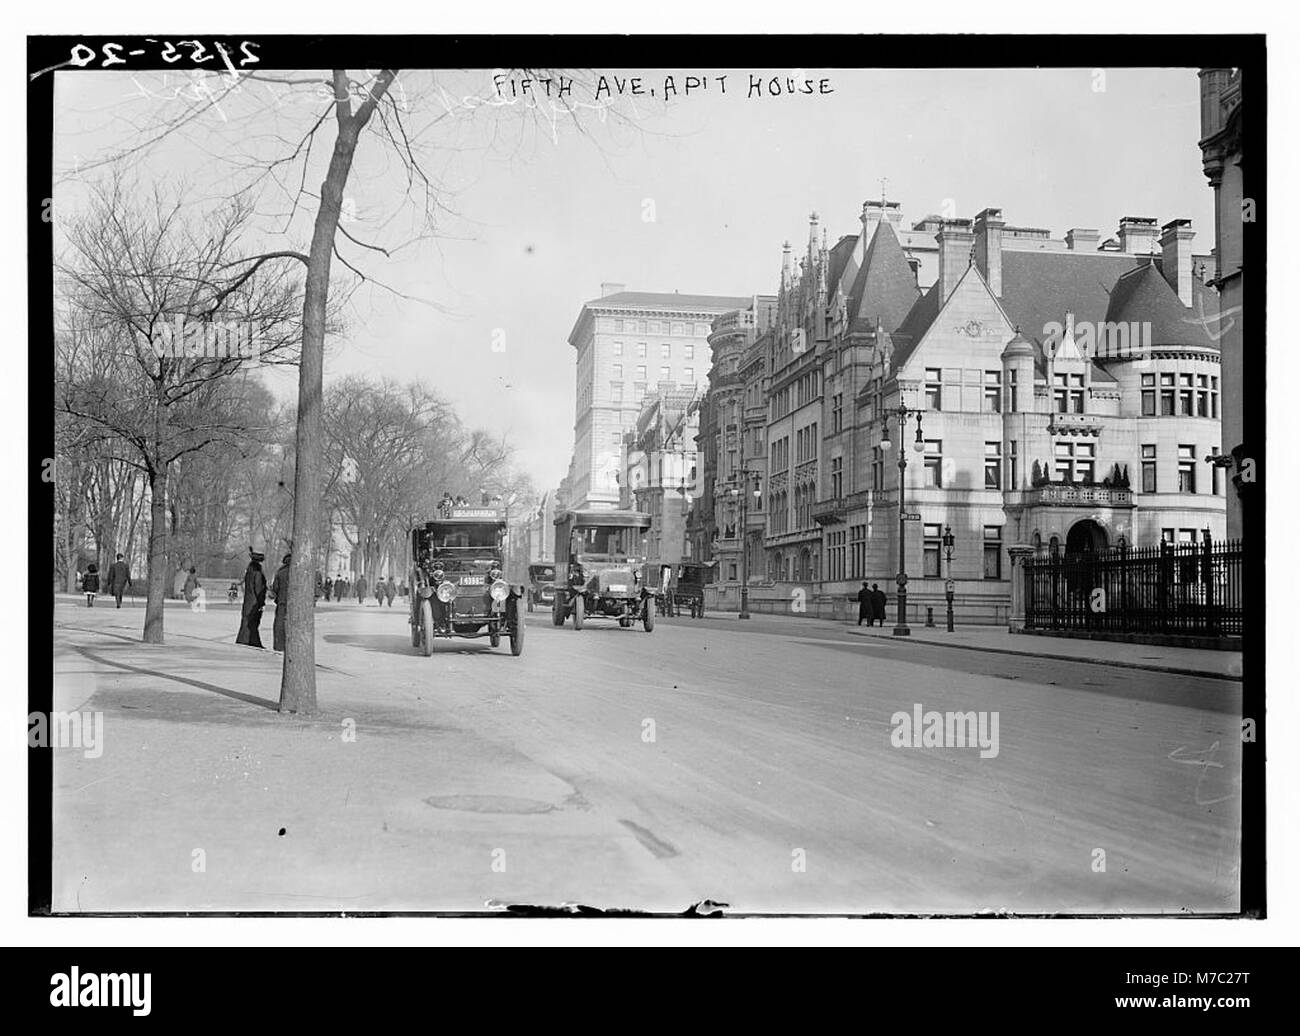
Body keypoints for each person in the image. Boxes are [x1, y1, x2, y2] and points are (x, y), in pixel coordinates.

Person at [236, 549, 268, 648]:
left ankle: (249, 641)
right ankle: (250, 642)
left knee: (247, 622)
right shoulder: (257, 573)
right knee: (252, 622)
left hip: (248, 601)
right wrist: (261, 602)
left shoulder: (249, 571)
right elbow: (259, 589)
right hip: (254, 602)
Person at [271, 552, 291, 652]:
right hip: (293, 602)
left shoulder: (280, 572)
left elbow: (275, 588)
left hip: (282, 601)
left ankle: (278, 645)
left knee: (279, 623)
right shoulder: (297, 572)